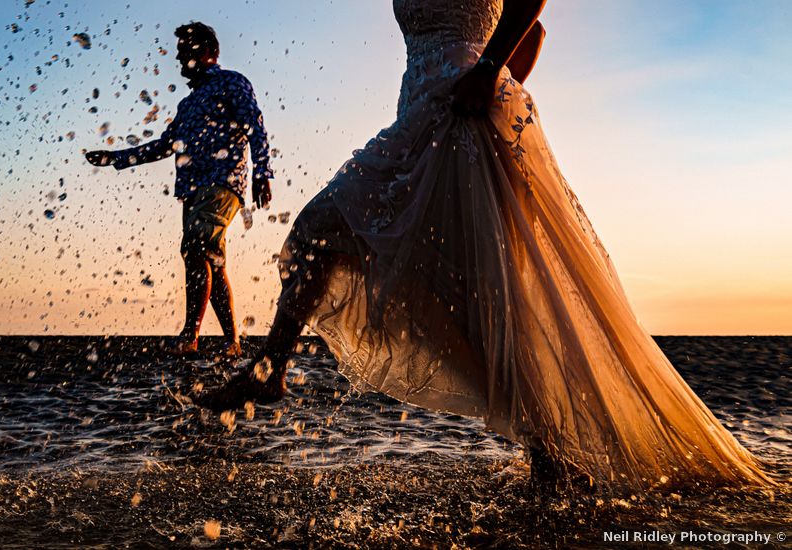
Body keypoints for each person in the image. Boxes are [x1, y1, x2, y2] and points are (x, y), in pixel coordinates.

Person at [195, 0, 777, 490]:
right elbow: (535, 31)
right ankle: (273, 368)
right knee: (359, 250)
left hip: (465, 115)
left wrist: (491, 76)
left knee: (464, 289)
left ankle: (552, 453)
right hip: (424, 111)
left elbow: (534, 13)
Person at [86, 21, 273, 358]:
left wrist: (263, 171)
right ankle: (233, 343)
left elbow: (254, 124)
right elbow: (163, 146)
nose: (180, 57)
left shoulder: (232, 82)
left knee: (197, 247)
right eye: (179, 52)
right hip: (192, 191)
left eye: (186, 50)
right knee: (211, 261)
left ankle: (190, 336)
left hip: (223, 182)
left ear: (209, 52)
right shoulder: (187, 106)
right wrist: (115, 158)